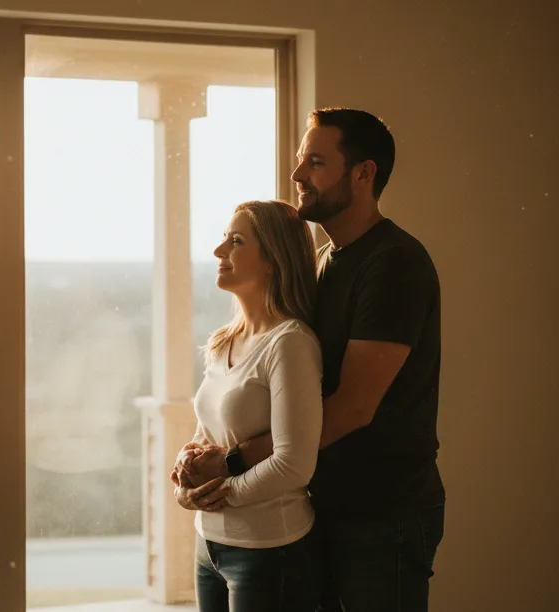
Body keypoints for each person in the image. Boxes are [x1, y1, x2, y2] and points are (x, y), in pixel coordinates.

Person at [175, 108, 446, 612]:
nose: (298, 175)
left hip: (384, 510)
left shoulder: (394, 265)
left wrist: (229, 465)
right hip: (324, 504)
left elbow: (350, 408)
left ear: (363, 174)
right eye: (302, 161)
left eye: (316, 162)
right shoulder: (324, 262)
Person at [170, 199, 325, 612]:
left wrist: (222, 492)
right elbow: (210, 433)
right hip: (210, 547)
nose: (220, 251)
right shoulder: (225, 340)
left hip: (267, 551)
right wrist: (185, 482)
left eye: (236, 242)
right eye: (224, 240)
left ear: (273, 260)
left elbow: (295, 463)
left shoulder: (290, 343)